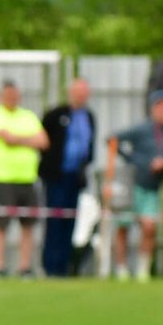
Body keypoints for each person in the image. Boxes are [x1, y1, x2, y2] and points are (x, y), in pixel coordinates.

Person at [105, 91, 163, 281]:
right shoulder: (142, 129)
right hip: (132, 184)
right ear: (153, 109)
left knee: (149, 227)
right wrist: (134, 160)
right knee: (123, 227)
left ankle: (143, 270)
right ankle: (122, 269)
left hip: (153, 187)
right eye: (160, 107)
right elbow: (112, 139)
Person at [0, 80, 49, 277]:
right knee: (0, 224)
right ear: (1, 97)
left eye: (15, 95)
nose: (12, 99)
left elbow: (43, 141)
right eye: (8, 95)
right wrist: (28, 139)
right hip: (3, 178)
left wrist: (18, 139)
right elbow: (7, 139)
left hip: (27, 178)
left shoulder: (28, 116)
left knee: (28, 225)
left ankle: (25, 267)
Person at [38, 78, 96, 278]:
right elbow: (42, 139)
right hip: (56, 177)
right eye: (78, 92)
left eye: (84, 92)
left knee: (70, 221)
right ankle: (50, 266)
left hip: (75, 177)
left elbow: (89, 146)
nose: (81, 96)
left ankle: (65, 266)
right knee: (55, 220)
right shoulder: (56, 114)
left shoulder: (88, 116)